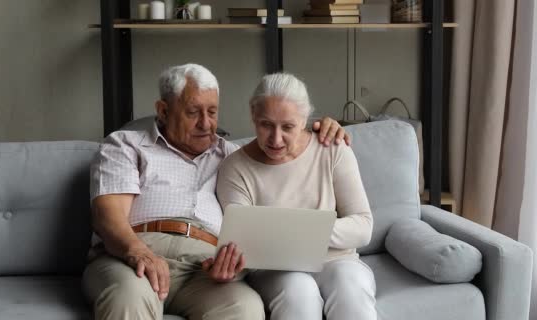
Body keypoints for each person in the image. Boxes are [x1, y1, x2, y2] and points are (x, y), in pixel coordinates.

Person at [82, 63, 350, 320]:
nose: (206, 124)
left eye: (212, 112)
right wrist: (137, 251)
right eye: (193, 112)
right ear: (163, 111)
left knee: (243, 307)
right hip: (135, 257)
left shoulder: (233, 157)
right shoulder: (126, 145)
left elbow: (284, 150)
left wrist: (319, 127)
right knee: (129, 295)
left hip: (205, 267)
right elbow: (109, 216)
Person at [216, 72, 377, 320]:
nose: (276, 139)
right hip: (274, 270)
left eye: (287, 127)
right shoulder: (234, 168)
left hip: (337, 262)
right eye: (266, 124)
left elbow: (363, 226)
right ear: (252, 115)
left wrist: (298, 232)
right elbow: (244, 241)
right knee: (298, 292)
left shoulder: (333, 150)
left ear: (304, 120)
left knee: (351, 286)